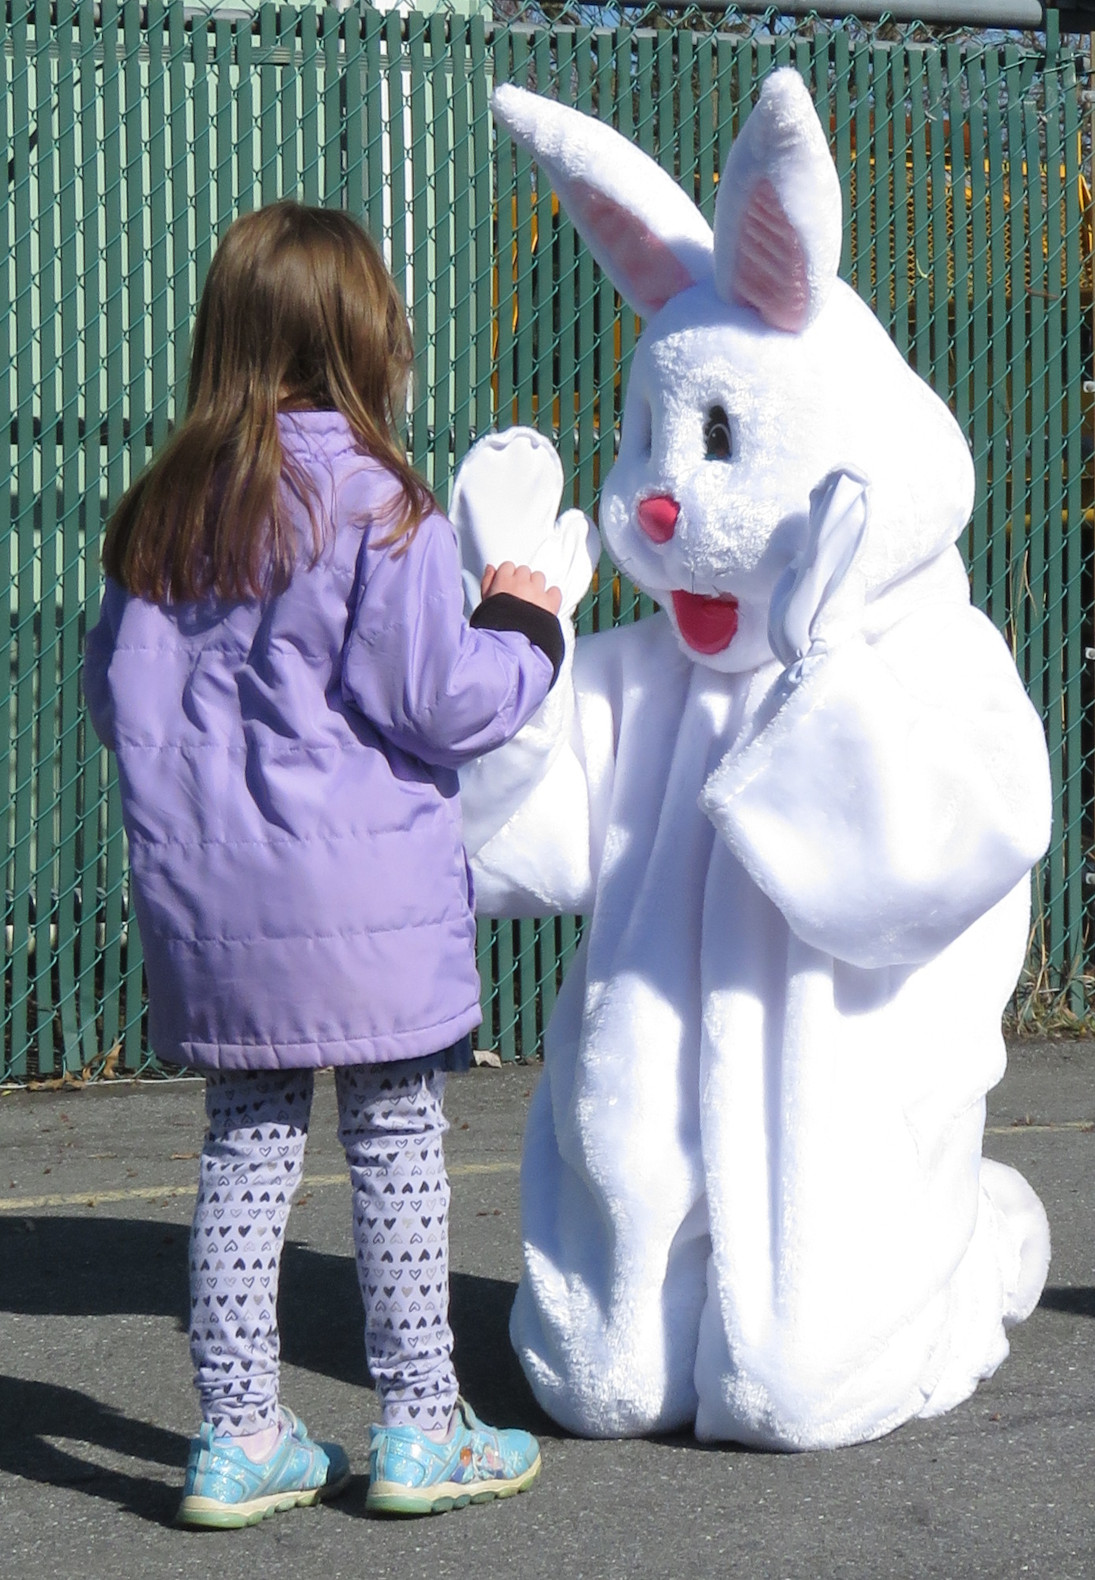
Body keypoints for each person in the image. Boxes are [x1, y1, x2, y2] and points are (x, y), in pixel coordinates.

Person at [82, 201, 563, 1528]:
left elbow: (113, 699)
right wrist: (528, 618)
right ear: (364, 335)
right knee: (398, 1141)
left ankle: (237, 1434)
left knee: (246, 1147)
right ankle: (421, 1424)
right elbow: (444, 698)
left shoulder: (155, 520)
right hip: (364, 903)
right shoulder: (375, 499)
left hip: (213, 907)